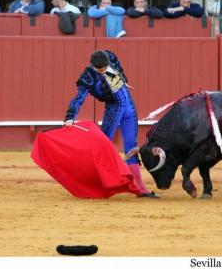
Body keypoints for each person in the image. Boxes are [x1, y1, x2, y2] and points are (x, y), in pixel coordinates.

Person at [64, 50, 158, 199]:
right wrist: (70, 117)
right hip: (114, 109)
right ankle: (97, 183)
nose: (103, 71)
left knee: (131, 146)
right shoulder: (88, 76)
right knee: (103, 145)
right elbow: (78, 99)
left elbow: (119, 68)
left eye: (105, 68)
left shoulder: (110, 58)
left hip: (129, 105)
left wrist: (124, 80)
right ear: (94, 67)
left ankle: (140, 188)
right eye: (100, 70)